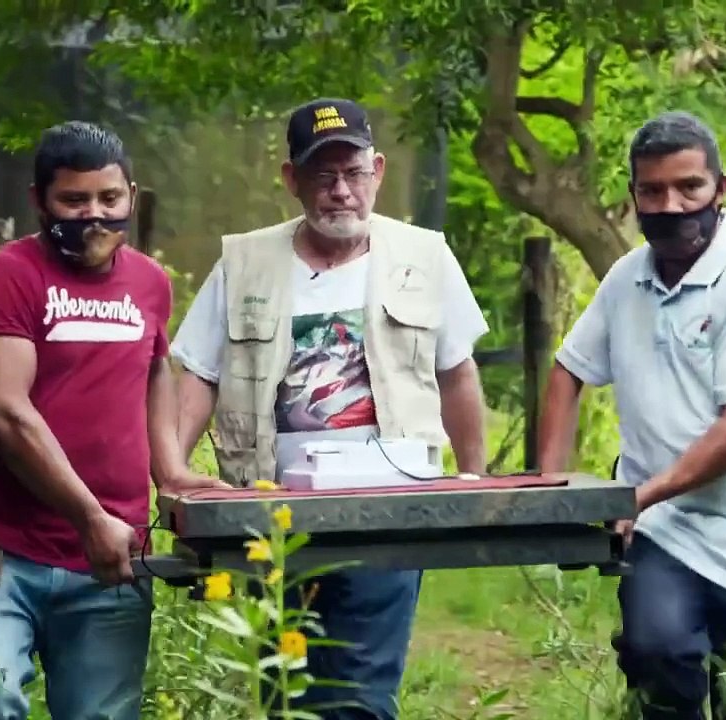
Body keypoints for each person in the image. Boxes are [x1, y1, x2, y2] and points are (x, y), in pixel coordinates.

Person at [170, 97, 489, 718]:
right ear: (292, 180)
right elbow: (198, 376)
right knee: (284, 687)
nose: (340, 191)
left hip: (390, 506)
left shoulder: (423, 256)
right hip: (269, 511)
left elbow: (457, 373)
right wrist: (173, 479)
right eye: (322, 176)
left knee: (362, 693)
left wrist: (472, 485)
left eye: (353, 173)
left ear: (378, 171)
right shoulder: (244, 262)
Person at [537, 111, 726, 719]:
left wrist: (638, 496)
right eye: (653, 191)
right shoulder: (627, 279)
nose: (671, 206)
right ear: (634, 196)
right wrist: (551, 492)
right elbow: (569, 371)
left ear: (722, 190)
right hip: (666, 533)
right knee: (656, 660)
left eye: (689, 187)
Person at [0, 120, 223, 720]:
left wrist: (170, 472)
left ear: (131, 198)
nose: (95, 215)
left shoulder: (150, 282)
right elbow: (6, 414)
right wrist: (90, 516)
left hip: (113, 557)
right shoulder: (5, 278)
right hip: (1, 551)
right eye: (74, 200)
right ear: (39, 200)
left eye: (109, 199)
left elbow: (153, 369)